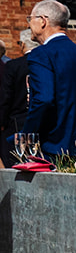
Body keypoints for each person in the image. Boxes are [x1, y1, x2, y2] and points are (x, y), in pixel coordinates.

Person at [23, 0, 76, 158]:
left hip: (55, 147)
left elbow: (43, 99)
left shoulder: (41, 54)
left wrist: (26, 135)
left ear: (43, 21)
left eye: (30, 19)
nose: (28, 24)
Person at [0, 33, 32, 164]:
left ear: (23, 45)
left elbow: (5, 98)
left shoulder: (13, 66)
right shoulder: (49, 63)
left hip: (16, 124)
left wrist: (2, 122)